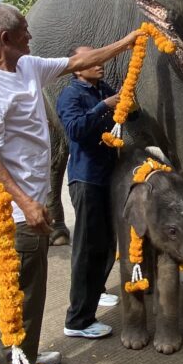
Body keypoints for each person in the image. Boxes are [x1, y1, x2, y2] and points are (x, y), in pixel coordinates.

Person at [0, 3, 139, 364]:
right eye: (24, 30)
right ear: (5, 38)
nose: (31, 35)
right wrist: (25, 202)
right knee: (21, 295)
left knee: (34, 289)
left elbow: (79, 60)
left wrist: (127, 42)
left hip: (35, 203)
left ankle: (26, 354)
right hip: (17, 211)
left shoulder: (26, 66)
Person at [55, 47, 123, 340]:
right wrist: (103, 106)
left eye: (100, 59)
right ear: (77, 68)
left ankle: (96, 292)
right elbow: (75, 130)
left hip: (108, 177)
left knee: (106, 243)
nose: (100, 64)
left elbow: (126, 117)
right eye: (93, 61)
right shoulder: (70, 96)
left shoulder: (102, 89)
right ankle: (78, 320)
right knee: (86, 248)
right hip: (86, 179)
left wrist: (128, 107)